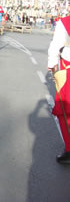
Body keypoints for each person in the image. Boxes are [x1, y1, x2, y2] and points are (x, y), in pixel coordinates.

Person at [48, 11, 70, 164]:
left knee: (64, 109)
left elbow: (56, 45)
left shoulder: (65, 22)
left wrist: (52, 64)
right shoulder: (65, 22)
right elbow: (57, 45)